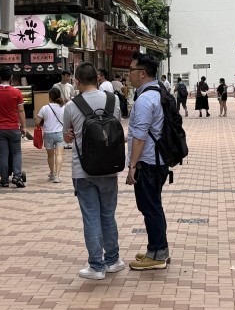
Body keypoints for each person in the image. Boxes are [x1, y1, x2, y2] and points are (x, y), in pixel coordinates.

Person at [63, 63, 125, 280]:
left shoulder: (71, 106)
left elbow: (67, 136)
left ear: (77, 81)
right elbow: (114, 128)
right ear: (98, 79)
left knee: (91, 218)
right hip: (110, 167)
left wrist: (72, 135)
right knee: (108, 215)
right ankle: (113, 260)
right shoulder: (113, 100)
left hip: (83, 171)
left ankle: (96, 266)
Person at [126, 52, 170, 270]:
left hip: (148, 163)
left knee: (150, 208)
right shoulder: (158, 92)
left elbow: (140, 136)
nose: (129, 75)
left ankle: (158, 255)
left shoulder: (144, 100)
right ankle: (157, 249)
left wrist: (132, 166)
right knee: (154, 206)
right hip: (158, 161)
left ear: (142, 73)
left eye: (131, 70)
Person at [0, 68, 26, 188]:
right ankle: (17, 176)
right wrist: (23, 126)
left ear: (0, 77)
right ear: (11, 77)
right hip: (14, 127)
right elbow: (21, 110)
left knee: (3, 153)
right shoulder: (16, 92)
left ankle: (4, 180)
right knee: (16, 152)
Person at [36, 87, 67, 183]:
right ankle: (57, 176)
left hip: (48, 134)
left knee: (50, 156)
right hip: (60, 133)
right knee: (59, 155)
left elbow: (37, 121)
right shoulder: (64, 107)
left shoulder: (45, 108)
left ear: (50, 97)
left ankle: (52, 173)